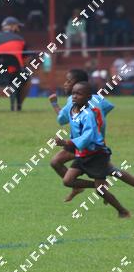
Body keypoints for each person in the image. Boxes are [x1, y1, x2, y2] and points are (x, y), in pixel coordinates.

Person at [53, 81, 134, 218]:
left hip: (96, 154)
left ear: (89, 97)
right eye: (73, 93)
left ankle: (123, 212)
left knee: (102, 189)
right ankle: (100, 186)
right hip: (82, 154)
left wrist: (67, 142)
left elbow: (88, 136)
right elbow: (63, 119)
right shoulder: (71, 108)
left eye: (79, 94)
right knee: (68, 181)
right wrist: (54, 104)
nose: (74, 96)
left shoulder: (88, 114)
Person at [48, 69, 113, 201]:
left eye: (68, 81)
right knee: (56, 162)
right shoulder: (97, 97)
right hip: (93, 142)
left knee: (56, 163)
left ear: (77, 84)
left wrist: (54, 104)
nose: (65, 84)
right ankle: (82, 187)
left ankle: (93, 186)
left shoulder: (71, 101)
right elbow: (108, 107)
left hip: (84, 143)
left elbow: (62, 119)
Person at [0, 16, 26, 111]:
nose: (18, 29)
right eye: (17, 26)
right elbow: (25, 60)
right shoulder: (20, 40)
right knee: (27, 75)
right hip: (13, 75)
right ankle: (18, 105)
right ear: (12, 26)